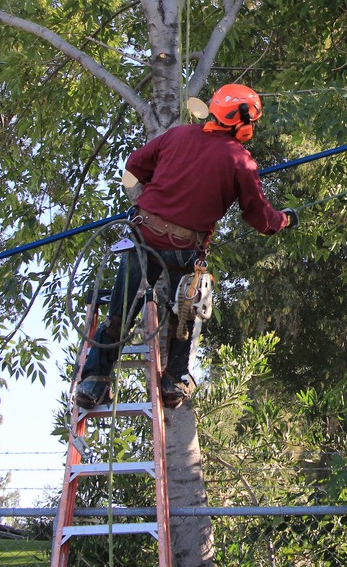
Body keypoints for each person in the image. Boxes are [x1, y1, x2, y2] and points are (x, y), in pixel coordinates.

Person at [75, 84, 297, 410]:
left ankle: (94, 382)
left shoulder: (177, 136)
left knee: (120, 312)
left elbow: (134, 166)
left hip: (141, 235)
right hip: (183, 247)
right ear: (243, 121)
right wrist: (284, 221)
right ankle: (174, 382)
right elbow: (259, 217)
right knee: (185, 311)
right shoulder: (240, 160)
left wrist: (142, 204)